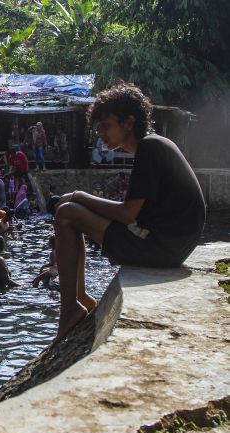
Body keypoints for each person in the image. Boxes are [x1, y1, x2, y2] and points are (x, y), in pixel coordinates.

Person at [53, 83, 205, 342]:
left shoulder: (149, 148)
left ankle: (70, 308)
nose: (101, 133)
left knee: (67, 213)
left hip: (162, 248)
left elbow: (127, 213)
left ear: (129, 122)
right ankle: (78, 299)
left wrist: (79, 195)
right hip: (167, 244)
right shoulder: (156, 145)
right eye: (98, 127)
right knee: (69, 211)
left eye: (106, 125)